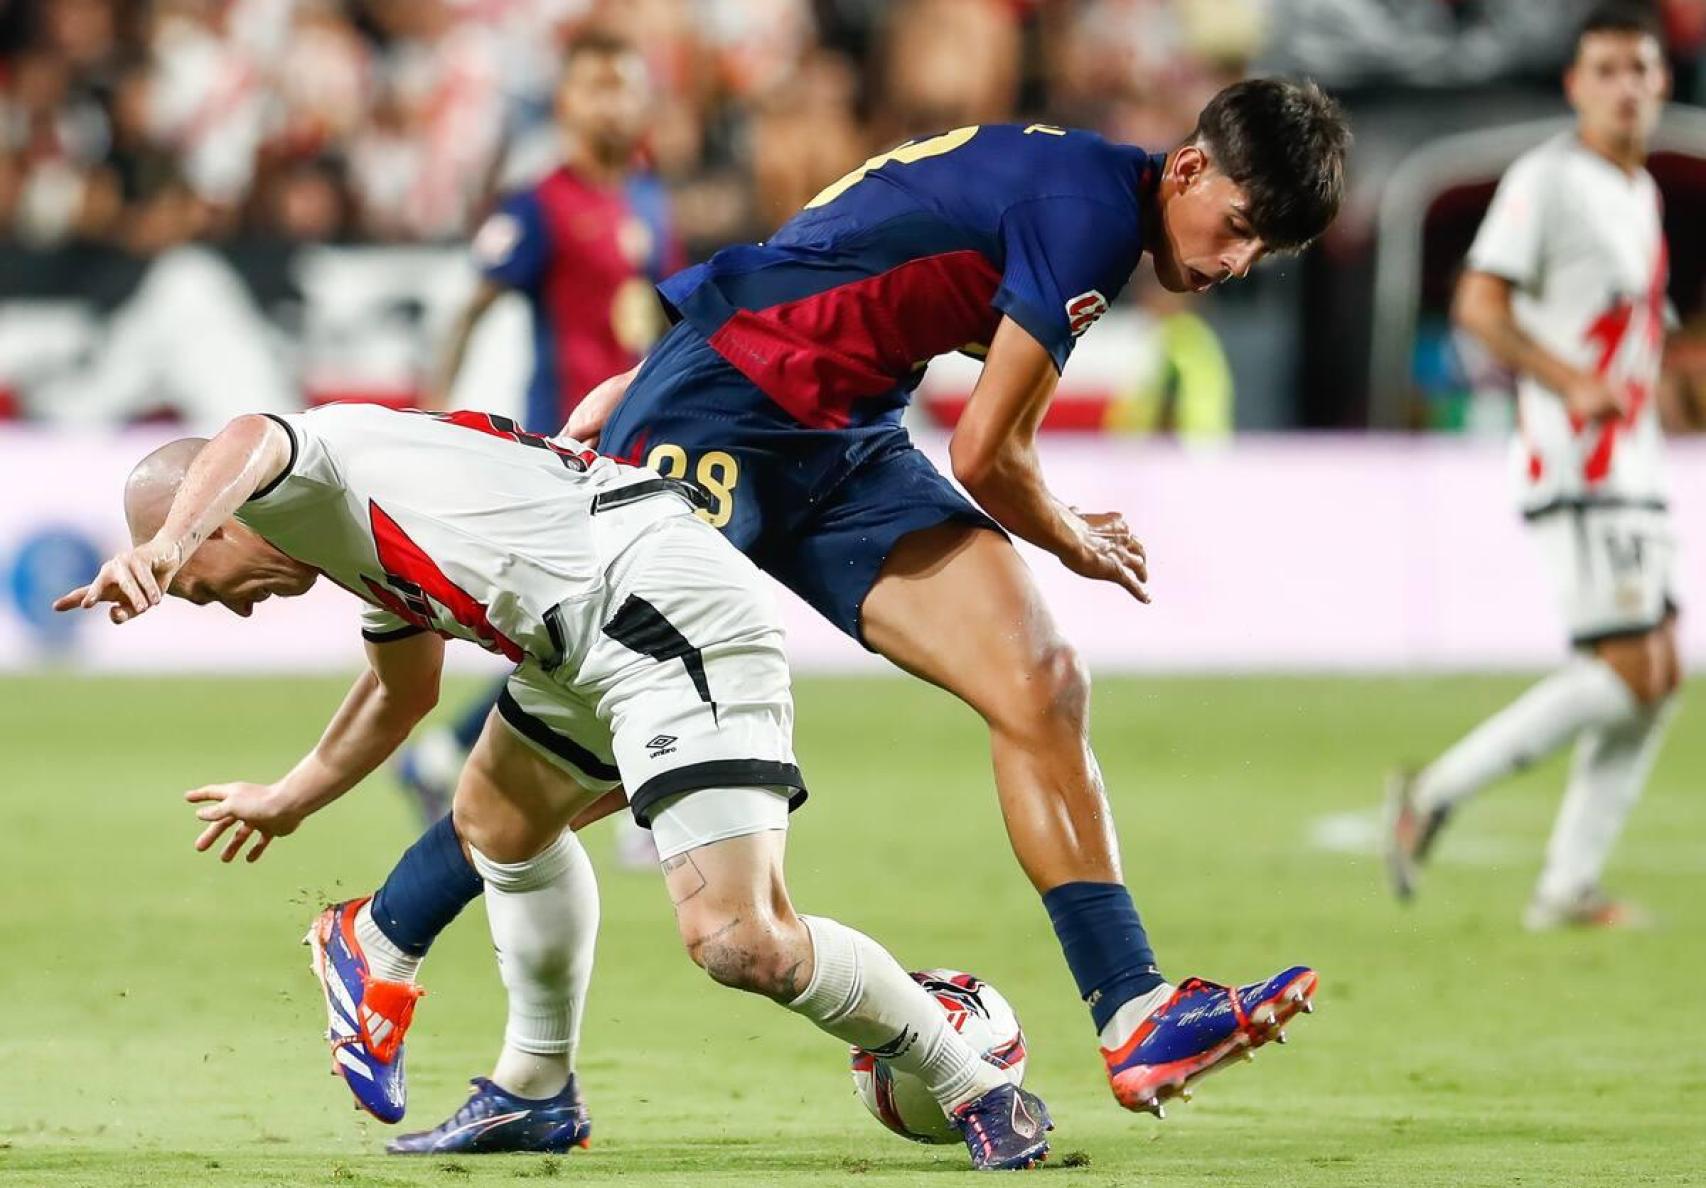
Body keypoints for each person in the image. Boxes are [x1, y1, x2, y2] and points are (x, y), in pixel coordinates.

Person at [341, 74, 1344, 1150]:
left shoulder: (1076, 192)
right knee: (590, 751)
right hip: (725, 410)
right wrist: (1071, 537)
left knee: (1040, 680)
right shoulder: (1087, 217)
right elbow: (987, 455)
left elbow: (847, 238)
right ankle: (381, 936)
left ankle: (1134, 1010)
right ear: (1187, 168)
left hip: (844, 429)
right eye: (1239, 226)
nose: (1238, 262)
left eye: (1263, 251)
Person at [54, 404, 1056, 1171]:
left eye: (203, 586)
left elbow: (253, 434)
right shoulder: (352, 536)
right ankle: (532, 1086)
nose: (226, 611)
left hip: (659, 615)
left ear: (215, 524)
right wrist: (290, 797)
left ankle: (975, 1084)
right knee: (498, 824)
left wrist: (161, 547)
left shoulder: (306, 461)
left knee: (740, 942)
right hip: (581, 643)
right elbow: (401, 694)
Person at [1386, 4, 1679, 930]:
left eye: (1640, 69)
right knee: (1633, 671)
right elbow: (1478, 303)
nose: (1626, 87)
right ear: (1574, 86)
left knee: (1659, 673)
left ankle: (1567, 887)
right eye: (1607, 70)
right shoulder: (1548, 180)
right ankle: (1435, 790)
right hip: (1578, 457)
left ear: (1663, 82)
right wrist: (1569, 379)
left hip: (1634, 458)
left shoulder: (1638, 192)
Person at [397, 30, 680, 835]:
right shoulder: (539, 204)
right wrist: (429, 416)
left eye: (626, 86)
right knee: (613, 627)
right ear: (565, 104)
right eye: (597, 87)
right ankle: (643, 802)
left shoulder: (649, 198)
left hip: (645, 440)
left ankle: (448, 758)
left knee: (597, 633)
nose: (614, 103)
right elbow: (470, 308)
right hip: (571, 444)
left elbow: (663, 323)